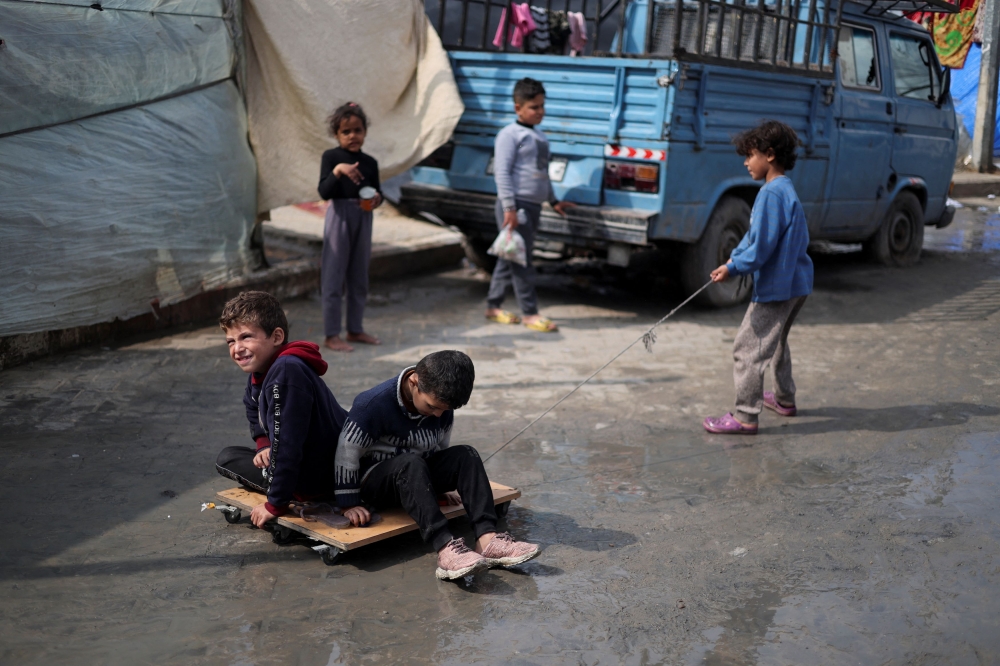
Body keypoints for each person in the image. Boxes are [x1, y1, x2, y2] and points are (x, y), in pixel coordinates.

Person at [333, 350, 540, 580]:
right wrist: (348, 502)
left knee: (466, 454)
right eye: (432, 407)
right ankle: (445, 548)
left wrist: (441, 487)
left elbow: (440, 450)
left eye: (444, 409)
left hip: (415, 472)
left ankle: (487, 539)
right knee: (410, 464)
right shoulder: (372, 404)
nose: (438, 414)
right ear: (414, 382)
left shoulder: (442, 407)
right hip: (374, 481)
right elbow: (346, 453)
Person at [703, 120, 814, 435]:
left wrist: (734, 268)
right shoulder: (782, 189)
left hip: (779, 286)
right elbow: (755, 236)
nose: (745, 162)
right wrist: (734, 258)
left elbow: (762, 247)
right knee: (776, 339)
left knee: (747, 348)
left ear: (769, 154)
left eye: (750, 155)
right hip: (797, 282)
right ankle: (783, 398)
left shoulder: (771, 194)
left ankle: (744, 415)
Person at [215, 291, 348, 527]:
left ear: (276, 336)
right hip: (306, 463)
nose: (237, 348)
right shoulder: (262, 370)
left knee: (226, 460)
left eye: (246, 337)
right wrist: (263, 444)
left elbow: (287, 445)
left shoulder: (286, 371)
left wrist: (275, 504)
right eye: (231, 341)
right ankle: (286, 484)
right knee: (231, 455)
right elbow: (252, 409)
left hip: (318, 476)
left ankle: (296, 493)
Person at [485, 77, 575, 333]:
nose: (540, 111)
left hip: (532, 206)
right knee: (522, 261)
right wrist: (509, 208)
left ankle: (493, 306)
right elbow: (501, 173)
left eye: (542, 106)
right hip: (516, 207)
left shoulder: (539, 136)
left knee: (509, 255)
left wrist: (554, 200)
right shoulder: (509, 135)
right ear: (518, 108)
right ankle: (530, 313)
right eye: (534, 107)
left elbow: (542, 173)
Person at [318, 102, 382, 353]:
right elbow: (323, 191)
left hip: (364, 217)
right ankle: (331, 334)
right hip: (339, 216)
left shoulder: (370, 162)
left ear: (365, 132)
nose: (352, 136)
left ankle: (355, 329)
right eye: (346, 132)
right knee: (333, 276)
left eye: (357, 130)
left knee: (359, 275)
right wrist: (338, 172)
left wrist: (378, 199)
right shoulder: (331, 158)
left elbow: (379, 191)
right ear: (336, 135)